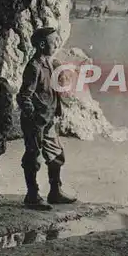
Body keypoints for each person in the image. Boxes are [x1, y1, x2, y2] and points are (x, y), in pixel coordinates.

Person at [17, 27, 76, 210]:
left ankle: (55, 192)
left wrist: (57, 109)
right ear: (42, 45)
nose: (57, 44)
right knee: (33, 157)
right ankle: (32, 195)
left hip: (48, 120)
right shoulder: (34, 67)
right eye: (53, 42)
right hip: (36, 122)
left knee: (57, 155)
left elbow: (53, 91)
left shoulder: (50, 63)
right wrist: (33, 116)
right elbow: (24, 96)